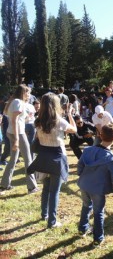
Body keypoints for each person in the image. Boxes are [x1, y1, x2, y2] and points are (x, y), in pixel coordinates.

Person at [27, 93, 77, 228]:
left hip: (43, 156)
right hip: (57, 157)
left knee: (46, 188)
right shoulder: (59, 121)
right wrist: (71, 114)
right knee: (54, 191)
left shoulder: (37, 121)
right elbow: (74, 129)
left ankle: (44, 214)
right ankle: (52, 221)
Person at [77, 123, 113, 247]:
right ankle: (98, 238)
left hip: (84, 184)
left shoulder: (87, 150)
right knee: (98, 212)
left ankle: (82, 229)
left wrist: (81, 174)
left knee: (86, 206)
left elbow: (80, 166)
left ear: (100, 135)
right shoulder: (111, 158)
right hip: (98, 189)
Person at [0, 85, 38, 194]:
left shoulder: (15, 101)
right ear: (23, 92)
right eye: (28, 93)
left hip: (13, 132)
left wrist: (26, 118)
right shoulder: (18, 102)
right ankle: (32, 187)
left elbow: (16, 119)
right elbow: (14, 121)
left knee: (13, 160)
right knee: (28, 159)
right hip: (18, 134)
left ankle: (4, 185)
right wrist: (17, 139)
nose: (29, 95)